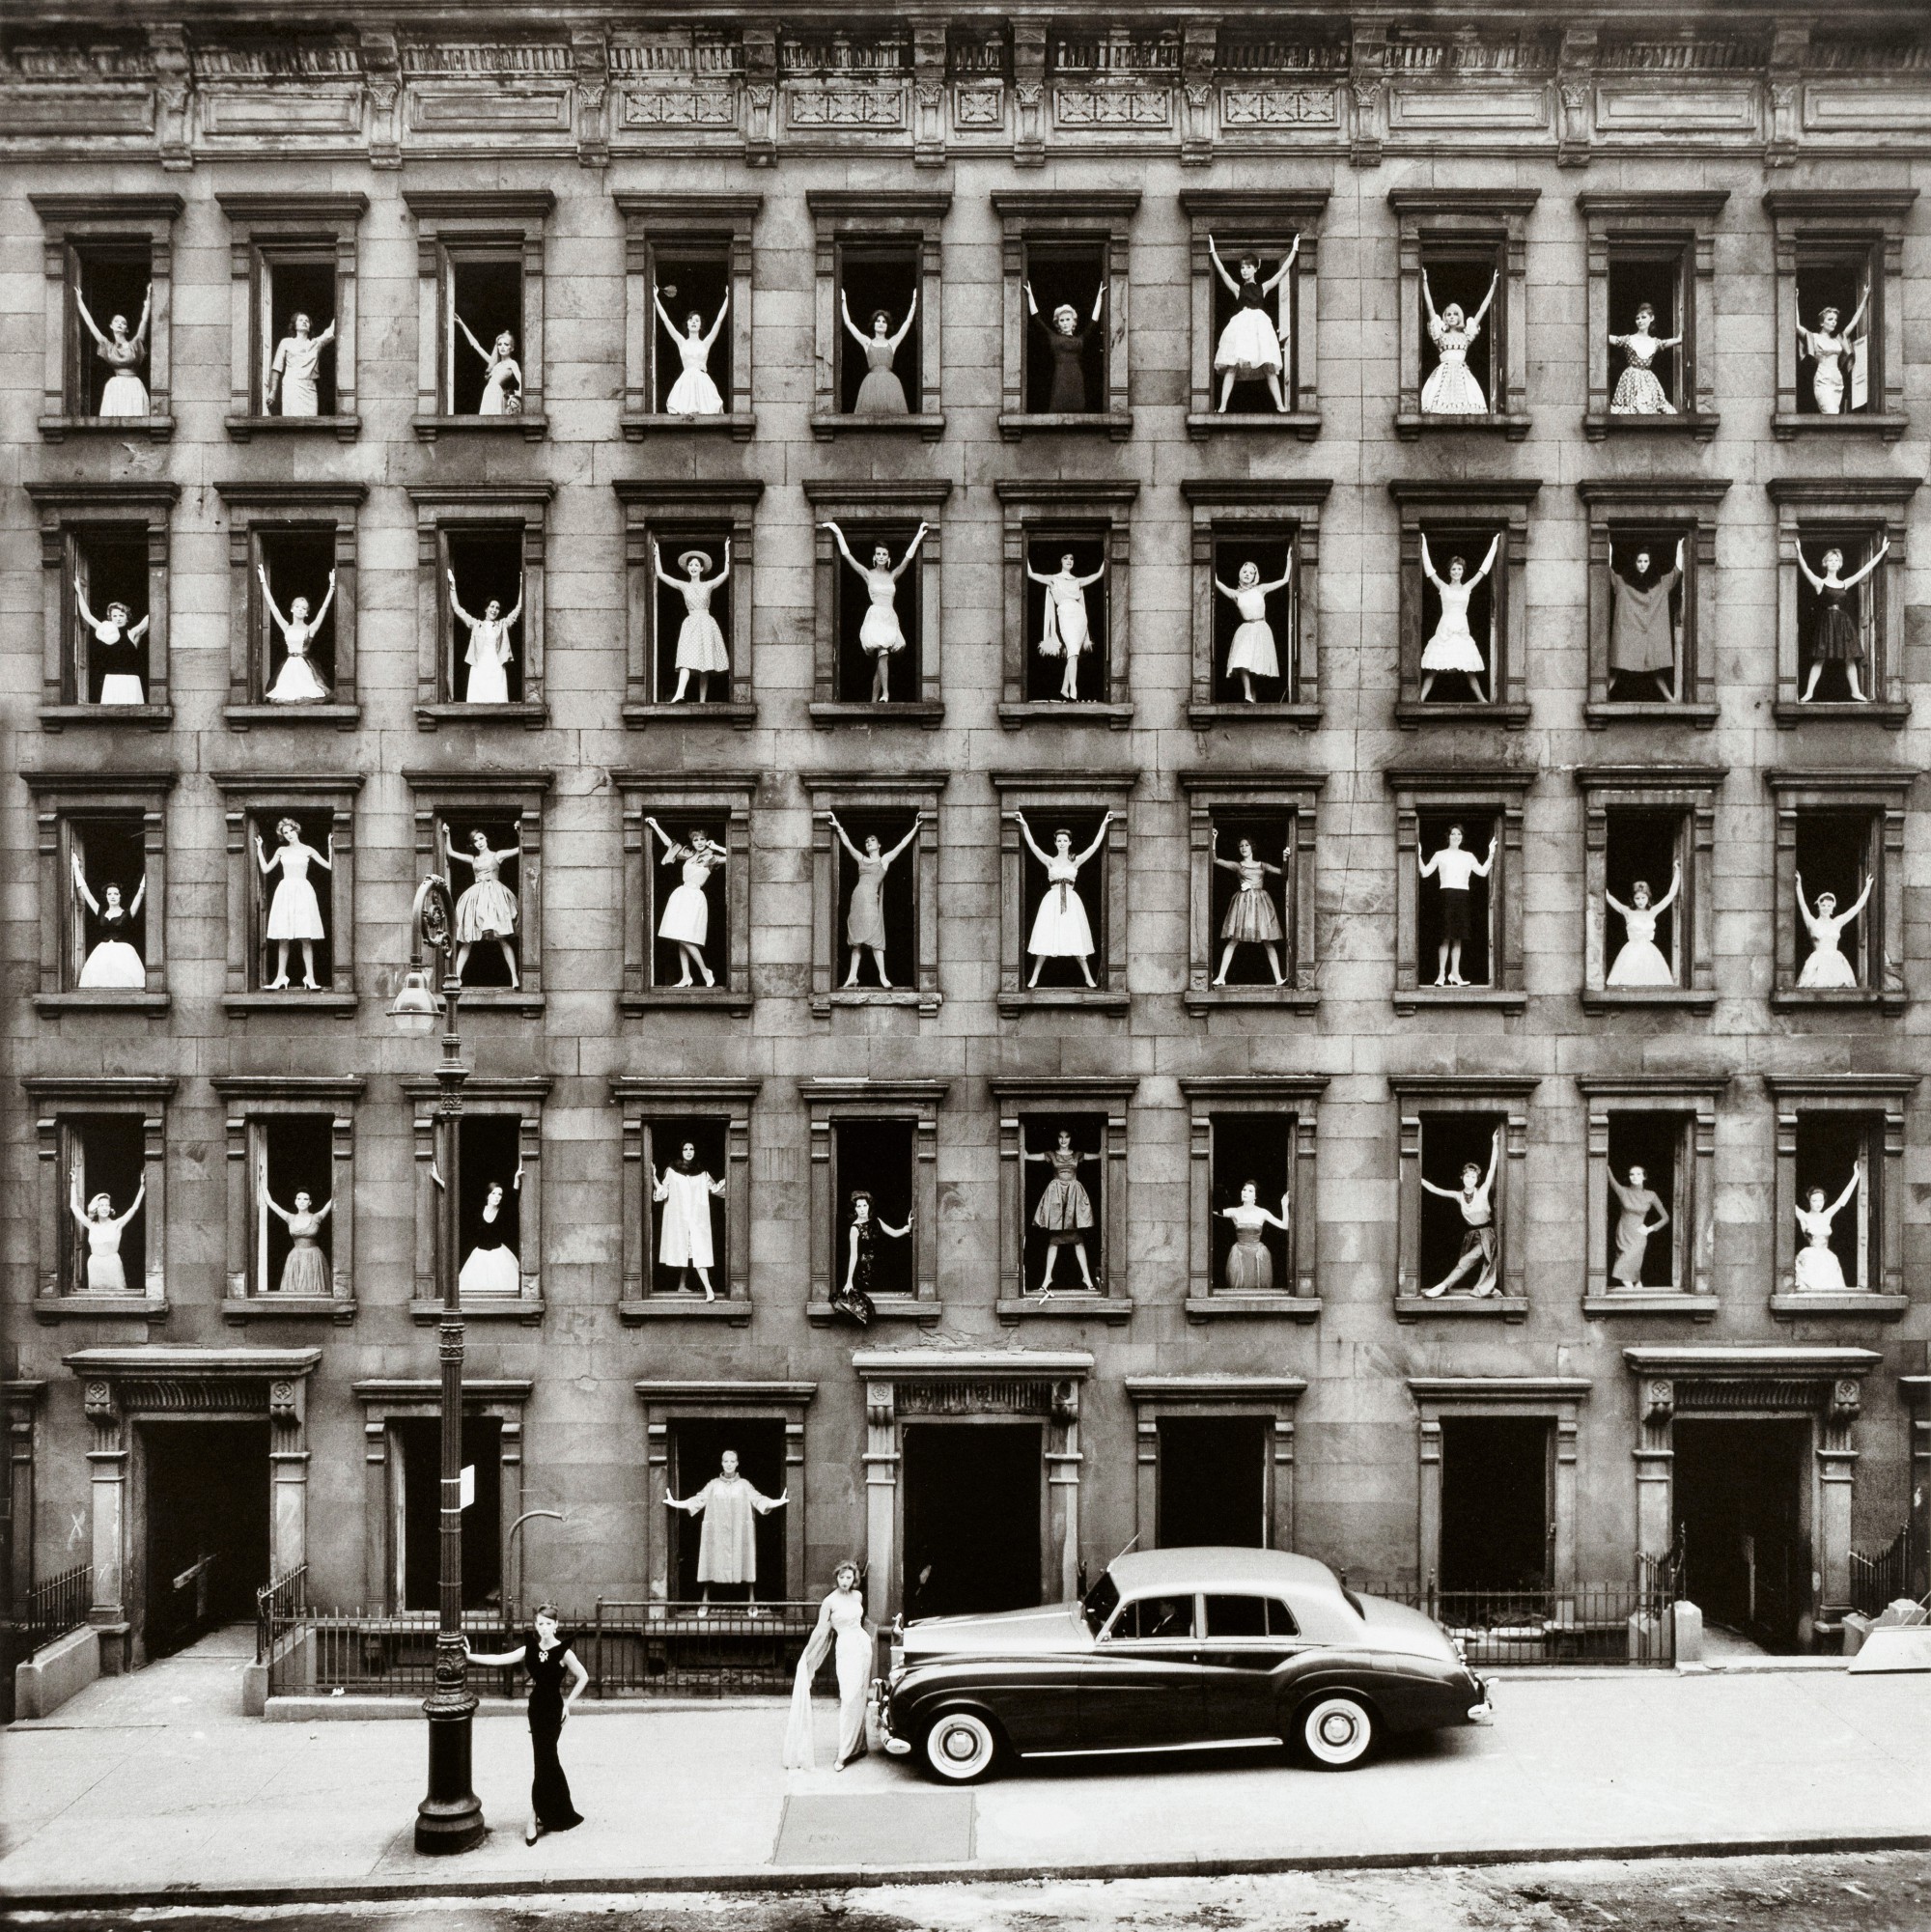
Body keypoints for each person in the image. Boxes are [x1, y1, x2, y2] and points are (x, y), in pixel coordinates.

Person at [462, 1607, 587, 1844]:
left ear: (556, 1625)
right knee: (546, 1761)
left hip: (553, 1710)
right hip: (536, 1710)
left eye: (549, 1624)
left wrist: (568, 1705)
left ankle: (533, 1816)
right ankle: (554, 1810)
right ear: (536, 1625)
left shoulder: (563, 1651)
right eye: (540, 1624)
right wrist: (471, 1657)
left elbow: (584, 1677)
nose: (544, 1628)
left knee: (544, 1760)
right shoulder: (529, 1648)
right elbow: (500, 1659)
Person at [664, 1448, 787, 1613]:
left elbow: (759, 1499)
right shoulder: (713, 1485)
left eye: (732, 1461)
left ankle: (752, 1601)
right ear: (722, 1463)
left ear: (737, 1463)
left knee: (746, 1564)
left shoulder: (744, 1485)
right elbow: (697, 1500)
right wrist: (675, 1503)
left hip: (739, 1535)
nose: (729, 1464)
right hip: (717, 1535)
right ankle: (705, 1601)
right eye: (726, 1461)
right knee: (710, 1563)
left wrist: (777, 1502)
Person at [821, 521, 928, 702]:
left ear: (888, 558)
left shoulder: (892, 575)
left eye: (884, 554)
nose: (881, 557)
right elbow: (848, 557)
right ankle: (886, 693)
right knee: (883, 651)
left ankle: (873, 700)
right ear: (874, 556)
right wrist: (838, 532)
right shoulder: (868, 574)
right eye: (878, 554)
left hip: (889, 617)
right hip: (876, 616)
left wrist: (918, 536)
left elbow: (907, 560)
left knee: (881, 658)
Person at [783, 1561, 873, 1772]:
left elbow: (860, 1621)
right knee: (848, 1697)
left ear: (854, 1579)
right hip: (846, 1649)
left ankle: (858, 1746)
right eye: (842, 1577)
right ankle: (843, 1753)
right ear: (836, 1577)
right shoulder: (829, 1602)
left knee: (860, 1698)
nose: (845, 1581)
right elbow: (821, 1630)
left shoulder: (858, 1596)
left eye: (849, 1578)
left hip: (863, 1647)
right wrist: (808, 1652)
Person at [1014, 812, 1111, 988]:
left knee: (1075, 936)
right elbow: (1033, 846)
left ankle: (1088, 978)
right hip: (1052, 902)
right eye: (1059, 840)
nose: (1062, 843)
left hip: (1071, 903)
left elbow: (1094, 847)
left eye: (1065, 840)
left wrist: (1103, 825)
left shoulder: (1075, 861)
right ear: (1055, 843)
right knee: (1046, 936)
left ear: (1070, 842)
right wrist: (1025, 826)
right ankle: (1034, 977)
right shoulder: (1050, 861)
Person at [827, 813, 921, 988]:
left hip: (870, 903)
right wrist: (838, 827)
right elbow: (847, 844)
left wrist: (915, 828)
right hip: (857, 904)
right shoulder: (861, 860)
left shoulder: (884, 860)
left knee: (875, 938)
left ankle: (883, 977)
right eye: (866, 841)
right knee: (856, 941)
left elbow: (901, 845)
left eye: (872, 840)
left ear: (879, 845)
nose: (868, 842)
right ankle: (852, 977)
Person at [1207, 234, 1297, 412]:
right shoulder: (1238, 289)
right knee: (1232, 365)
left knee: (1268, 366)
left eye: (1248, 267)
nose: (1244, 270)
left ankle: (1280, 405)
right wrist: (1213, 251)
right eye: (1242, 267)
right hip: (1241, 330)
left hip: (1260, 330)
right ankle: (1223, 406)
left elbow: (1282, 272)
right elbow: (1223, 272)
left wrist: (1294, 250)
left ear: (1256, 268)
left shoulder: (1263, 288)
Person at [1797, 540, 1887, 704]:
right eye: (1830, 560)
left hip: (1843, 624)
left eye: (1836, 560)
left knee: (1850, 658)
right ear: (1825, 563)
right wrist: (1798, 551)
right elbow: (1806, 569)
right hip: (1827, 624)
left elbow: (1864, 570)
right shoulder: (1819, 583)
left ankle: (1856, 692)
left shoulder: (1844, 583)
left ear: (1840, 565)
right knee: (1820, 658)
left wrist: (1881, 553)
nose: (1833, 562)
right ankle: (1808, 693)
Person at [645, 819, 725, 989]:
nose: (699, 842)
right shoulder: (689, 854)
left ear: (706, 839)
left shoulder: (712, 857)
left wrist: (716, 846)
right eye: (696, 840)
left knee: (685, 936)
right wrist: (655, 825)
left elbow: (736, 854)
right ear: (692, 841)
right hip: (682, 895)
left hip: (695, 897)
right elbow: (669, 844)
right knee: (678, 936)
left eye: (702, 839)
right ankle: (686, 976)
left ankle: (705, 971)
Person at [255, 818, 333, 991]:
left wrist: (330, 846)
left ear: (297, 830)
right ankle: (280, 977)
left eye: (291, 831)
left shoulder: (308, 850)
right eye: (285, 833)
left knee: (306, 937)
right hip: (285, 892)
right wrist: (259, 849)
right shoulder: (281, 850)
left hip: (303, 892)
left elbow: (330, 866)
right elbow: (266, 869)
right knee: (284, 937)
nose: (289, 835)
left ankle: (310, 978)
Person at [1419, 534, 1498, 703]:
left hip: (1461, 630)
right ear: (1449, 571)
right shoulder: (1443, 587)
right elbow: (1429, 569)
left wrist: (1494, 544)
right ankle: (1419, 699)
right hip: (1445, 629)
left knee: (1469, 669)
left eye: (1459, 569)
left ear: (1463, 571)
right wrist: (1424, 541)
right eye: (1454, 569)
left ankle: (1482, 700)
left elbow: (1483, 570)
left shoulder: (1468, 587)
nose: (1456, 572)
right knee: (1434, 668)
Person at [1420, 1134, 1500, 1298]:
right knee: (1465, 1262)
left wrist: (1494, 1144)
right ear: (1462, 1177)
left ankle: (1443, 1286)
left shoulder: (1483, 1190)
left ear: (1477, 1179)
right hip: (1471, 1235)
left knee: (1467, 1261)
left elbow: (1492, 1169)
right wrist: (1417, 1177)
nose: (1470, 1179)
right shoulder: (1458, 1195)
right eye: (1467, 1176)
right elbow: (1436, 1190)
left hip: (1486, 1234)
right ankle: (1485, 1289)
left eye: (1473, 1176)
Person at [653, 542, 731, 702]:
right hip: (690, 624)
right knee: (685, 659)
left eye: (696, 565)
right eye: (691, 565)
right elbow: (660, 574)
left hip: (706, 623)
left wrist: (727, 550)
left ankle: (702, 701)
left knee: (705, 663)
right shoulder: (684, 586)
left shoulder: (708, 585)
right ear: (688, 568)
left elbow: (725, 573)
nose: (693, 567)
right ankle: (679, 694)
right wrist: (656, 552)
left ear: (702, 569)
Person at [1418, 824, 1495, 987]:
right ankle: (1441, 976)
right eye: (1453, 834)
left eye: (1459, 834)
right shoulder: (1440, 854)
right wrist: (1417, 854)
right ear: (1448, 836)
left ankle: (1455, 974)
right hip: (1446, 896)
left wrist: (1491, 854)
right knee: (1445, 937)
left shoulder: (1468, 856)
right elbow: (1425, 873)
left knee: (1458, 939)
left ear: (1462, 837)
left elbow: (1482, 872)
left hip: (1462, 896)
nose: (1456, 837)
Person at [445, 825, 521, 987]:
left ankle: (514, 977)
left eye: (481, 838)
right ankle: (457, 977)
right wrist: (447, 833)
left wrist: (518, 830)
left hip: (495, 897)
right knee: (468, 938)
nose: (479, 842)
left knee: (502, 938)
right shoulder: (474, 859)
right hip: (477, 898)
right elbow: (451, 852)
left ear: (486, 839)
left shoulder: (498, 855)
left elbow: (520, 848)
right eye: (475, 841)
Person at [1025, 549, 1106, 702]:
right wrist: (1022, 553)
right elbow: (1031, 573)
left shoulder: (1077, 581)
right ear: (1061, 561)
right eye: (1065, 558)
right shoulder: (1053, 579)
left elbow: (1098, 574)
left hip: (1080, 616)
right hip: (1065, 614)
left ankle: (1065, 688)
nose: (1069, 560)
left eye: (1072, 558)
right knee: (1072, 652)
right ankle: (1073, 689)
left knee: (1073, 653)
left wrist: (1108, 557)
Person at [1025, 1126, 1098, 1292]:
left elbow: (1098, 1155)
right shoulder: (1052, 1154)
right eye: (1060, 1137)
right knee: (1055, 1238)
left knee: (1077, 1238)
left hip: (1073, 1196)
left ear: (1071, 1138)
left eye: (1067, 1137)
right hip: (1057, 1196)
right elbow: (1031, 1156)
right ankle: (1047, 1279)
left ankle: (1087, 1278)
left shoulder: (1077, 1155)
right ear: (1057, 1138)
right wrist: (1024, 1154)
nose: (1063, 1140)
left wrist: (1105, 1150)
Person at [1608, 542, 1683, 701]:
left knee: (1656, 670)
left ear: (1651, 562)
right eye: (1639, 561)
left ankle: (1670, 698)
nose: (1642, 565)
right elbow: (1608, 573)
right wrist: (1607, 549)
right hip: (1630, 635)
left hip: (1650, 636)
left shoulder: (1661, 583)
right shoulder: (1622, 582)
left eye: (1646, 561)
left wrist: (1680, 548)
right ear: (1634, 563)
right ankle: (1602, 695)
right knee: (1617, 669)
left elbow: (1676, 572)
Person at [1214, 554, 1293, 702]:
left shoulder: (1261, 589)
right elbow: (1216, 581)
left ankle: (1252, 699)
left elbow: (1285, 580)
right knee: (1241, 661)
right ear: (1240, 574)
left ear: (1255, 576)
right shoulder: (1235, 594)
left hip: (1261, 629)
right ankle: (1247, 695)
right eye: (1245, 572)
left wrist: (1289, 558)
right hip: (1246, 630)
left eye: (1251, 573)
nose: (1247, 575)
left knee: (1255, 667)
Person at [1211, 834, 1286, 987]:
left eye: (1246, 845)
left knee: (1268, 940)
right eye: (1241, 846)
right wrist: (1213, 840)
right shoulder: (1238, 866)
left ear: (1252, 847)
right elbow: (1215, 860)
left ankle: (1278, 979)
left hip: (1261, 904)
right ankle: (1220, 977)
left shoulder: (1262, 865)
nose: (1244, 848)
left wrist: (1285, 859)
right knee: (1234, 940)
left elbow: (1283, 873)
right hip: (1244, 905)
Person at [654, 1140, 725, 1299]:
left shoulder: (702, 1172)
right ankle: (704, 1290)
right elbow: (663, 1193)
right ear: (681, 1151)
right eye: (685, 1149)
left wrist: (733, 1176)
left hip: (696, 1219)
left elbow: (715, 1189)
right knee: (688, 1252)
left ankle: (699, 1289)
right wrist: (653, 1177)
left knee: (698, 1253)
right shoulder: (672, 1171)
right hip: (680, 1220)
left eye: (691, 1148)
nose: (688, 1151)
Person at [1419, 268, 1496, 415]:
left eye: (1455, 314)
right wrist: (1424, 282)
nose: (1452, 317)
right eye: (1448, 314)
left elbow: (1482, 311)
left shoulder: (1466, 335)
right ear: (1444, 318)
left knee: (1466, 407)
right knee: (1437, 407)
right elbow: (1430, 308)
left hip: (1462, 377)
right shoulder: (1440, 335)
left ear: (1460, 316)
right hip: (1443, 375)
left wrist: (1493, 286)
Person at [1023, 276, 1105, 412]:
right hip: (1061, 375)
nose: (1065, 323)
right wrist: (1030, 295)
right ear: (1058, 323)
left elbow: (1094, 322)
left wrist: (1099, 297)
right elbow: (1037, 318)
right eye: (1062, 320)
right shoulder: (1053, 337)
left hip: (1076, 376)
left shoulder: (1080, 339)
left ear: (1074, 322)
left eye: (1068, 319)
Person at [260, 563, 335, 703]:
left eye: (304, 608)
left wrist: (331, 588)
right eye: (297, 607)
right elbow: (273, 607)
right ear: (292, 609)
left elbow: (323, 609)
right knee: (286, 695)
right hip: (289, 668)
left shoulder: (310, 629)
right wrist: (263, 582)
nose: (300, 609)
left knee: (307, 694)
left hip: (304, 669)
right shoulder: (286, 627)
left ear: (307, 613)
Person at [75, 283, 152, 416]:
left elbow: (144, 320)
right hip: (116, 387)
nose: (120, 324)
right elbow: (90, 324)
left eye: (123, 323)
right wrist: (79, 301)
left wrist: (149, 296)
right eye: (117, 321)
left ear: (127, 329)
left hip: (133, 386)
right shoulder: (108, 346)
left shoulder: (135, 343)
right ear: (111, 326)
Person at [837, 1188, 910, 1327]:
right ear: (855, 1209)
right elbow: (853, 1255)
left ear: (869, 1206)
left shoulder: (876, 1221)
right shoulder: (854, 1229)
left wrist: (908, 1227)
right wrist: (848, 1281)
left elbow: (894, 1233)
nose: (862, 1209)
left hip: (879, 1265)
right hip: (863, 1270)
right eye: (859, 1206)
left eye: (865, 1205)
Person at [70, 854, 146, 988]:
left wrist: (148, 867)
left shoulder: (128, 913)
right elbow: (85, 892)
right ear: (105, 896)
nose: (112, 896)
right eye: (109, 894)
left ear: (120, 896)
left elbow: (140, 892)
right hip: (102, 953)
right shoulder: (101, 912)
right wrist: (76, 867)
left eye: (116, 894)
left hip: (124, 955)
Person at [447, 571, 520, 706]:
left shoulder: (503, 624)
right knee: (478, 702)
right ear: (486, 609)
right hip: (479, 666)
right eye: (492, 606)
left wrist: (522, 583)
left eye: (497, 608)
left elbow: (518, 608)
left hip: (496, 666)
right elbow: (457, 609)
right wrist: (452, 585)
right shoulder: (476, 624)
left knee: (497, 702)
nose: (494, 610)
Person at [73, 576, 150, 705]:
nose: (118, 619)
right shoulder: (105, 630)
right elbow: (87, 615)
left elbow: (150, 617)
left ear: (127, 618)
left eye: (121, 615)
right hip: (112, 682)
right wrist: (79, 592)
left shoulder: (132, 634)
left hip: (131, 682)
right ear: (110, 618)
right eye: (115, 616)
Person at [841, 288, 916, 416]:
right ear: (874, 324)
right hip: (870, 386)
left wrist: (914, 300)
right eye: (878, 321)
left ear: (887, 326)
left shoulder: (892, 342)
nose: (881, 324)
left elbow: (908, 322)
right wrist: (843, 300)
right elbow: (849, 323)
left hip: (891, 386)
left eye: (884, 321)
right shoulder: (867, 342)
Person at [655, 285, 728, 415]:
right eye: (691, 319)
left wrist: (728, 297)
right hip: (686, 384)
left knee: (706, 412)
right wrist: (655, 297)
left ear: (700, 325)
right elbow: (666, 320)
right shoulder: (681, 342)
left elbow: (719, 320)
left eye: (697, 320)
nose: (693, 322)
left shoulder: (706, 343)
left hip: (703, 385)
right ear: (687, 324)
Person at [1606, 863, 1681, 987]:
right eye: (1637, 898)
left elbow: (1671, 895)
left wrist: (1677, 871)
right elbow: (1608, 896)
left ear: (1648, 897)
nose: (1640, 901)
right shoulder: (1627, 911)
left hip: (1650, 955)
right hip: (1630, 954)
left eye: (1643, 898)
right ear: (1633, 899)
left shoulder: (1653, 911)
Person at [1797, 289, 1869, 416]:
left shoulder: (1838, 339)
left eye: (1835, 320)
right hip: (1822, 381)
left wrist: (1866, 296)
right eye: (1830, 319)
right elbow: (1797, 326)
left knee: (1834, 416)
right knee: (1830, 413)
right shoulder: (1814, 337)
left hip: (1837, 381)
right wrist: (1795, 298)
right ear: (1821, 322)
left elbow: (1854, 321)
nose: (1834, 322)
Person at [1796, 870, 1871, 989]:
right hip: (1817, 964)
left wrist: (1867, 887)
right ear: (1818, 907)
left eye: (1829, 906)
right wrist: (1798, 884)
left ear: (1832, 909)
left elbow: (1856, 907)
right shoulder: (1812, 923)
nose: (1826, 908)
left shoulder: (1837, 922)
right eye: (1823, 905)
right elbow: (1802, 905)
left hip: (1835, 963)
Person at [70, 1176, 145, 1293]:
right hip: (95, 1266)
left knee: (118, 1297)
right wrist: (73, 1182)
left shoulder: (117, 1224)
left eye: (107, 1205)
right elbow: (74, 1207)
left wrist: (142, 1186)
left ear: (110, 1208)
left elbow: (134, 1208)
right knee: (97, 1299)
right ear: (96, 1209)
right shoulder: (91, 1225)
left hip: (113, 1265)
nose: (104, 1208)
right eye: (101, 1205)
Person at [1794, 1165, 1861, 1293]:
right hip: (1810, 1259)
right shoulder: (1804, 1216)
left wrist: (1856, 1176)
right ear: (1809, 1202)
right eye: (1814, 1200)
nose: (1818, 1204)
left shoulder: (1826, 1216)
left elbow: (1841, 1201)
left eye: (1821, 1200)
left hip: (1827, 1258)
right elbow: (1789, 1201)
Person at [458, 1166, 522, 1296]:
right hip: (479, 1257)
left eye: (500, 1194)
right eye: (494, 1193)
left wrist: (516, 1178)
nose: (497, 1197)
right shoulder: (477, 1210)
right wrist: (437, 1179)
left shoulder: (502, 1211)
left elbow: (513, 1198)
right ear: (487, 1195)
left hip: (499, 1256)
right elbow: (457, 1196)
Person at [264, 1178, 333, 1296]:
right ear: (295, 1201)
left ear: (310, 1202)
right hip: (295, 1258)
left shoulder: (317, 1217)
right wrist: (261, 1181)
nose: (302, 1201)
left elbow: (332, 1201)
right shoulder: (290, 1218)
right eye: (299, 1198)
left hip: (314, 1258)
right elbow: (270, 1202)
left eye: (305, 1199)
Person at [1608, 302, 1680, 414]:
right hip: (1630, 379)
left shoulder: (1654, 342)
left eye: (1643, 317)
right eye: (1637, 318)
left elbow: (1670, 342)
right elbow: (1611, 338)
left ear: (1651, 318)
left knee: (1651, 409)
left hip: (1648, 380)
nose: (1640, 321)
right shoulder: (1629, 339)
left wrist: (1680, 336)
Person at [1220, 1181, 1290, 1292]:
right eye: (1244, 1190)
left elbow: (1284, 1225)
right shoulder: (1234, 1212)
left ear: (1255, 1196)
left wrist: (1284, 1206)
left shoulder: (1262, 1212)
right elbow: (1213, 1211)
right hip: (1239, 1254)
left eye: (1250, 1191)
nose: (1245, 1193)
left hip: (1258, 1255)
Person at [1608, 1165, 1669, 1288]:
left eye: (1638, 1174)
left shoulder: (1651, 1195)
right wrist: (1605, 1164)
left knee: (1625, 1271)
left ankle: (1634, 1297)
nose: (1634, 1177)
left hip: (1639, 1235)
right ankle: (1638, 1292)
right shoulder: (1623, 1191)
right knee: (1632, 1275)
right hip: (1623, 1233)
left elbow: (1666, 1218)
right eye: (1632, 1174)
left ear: (1644, 1177)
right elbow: (1610, 1178)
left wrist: (1649, 1229)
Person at [267, 310, 336, 417]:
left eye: (307, 321)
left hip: (310, 389)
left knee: (310, 422)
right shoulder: (286, 342)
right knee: (292, 421)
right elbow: (277, 367)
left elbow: (330, 331)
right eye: (301, 320)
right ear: (295, 325)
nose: (304, 322)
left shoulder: (315, 344)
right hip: (292, 387)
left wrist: (341, 311)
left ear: (309, 327)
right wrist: (273, 391)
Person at [456, 319, 520, 415]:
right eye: (500, 344)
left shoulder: (512, 363)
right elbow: (476, 346)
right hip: (488, 392)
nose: (502, 347)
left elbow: (522, 382)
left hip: (497, 393)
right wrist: (462, 325)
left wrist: (515, 395)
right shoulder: (494, 364)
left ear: (512, 348)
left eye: (506, 344)